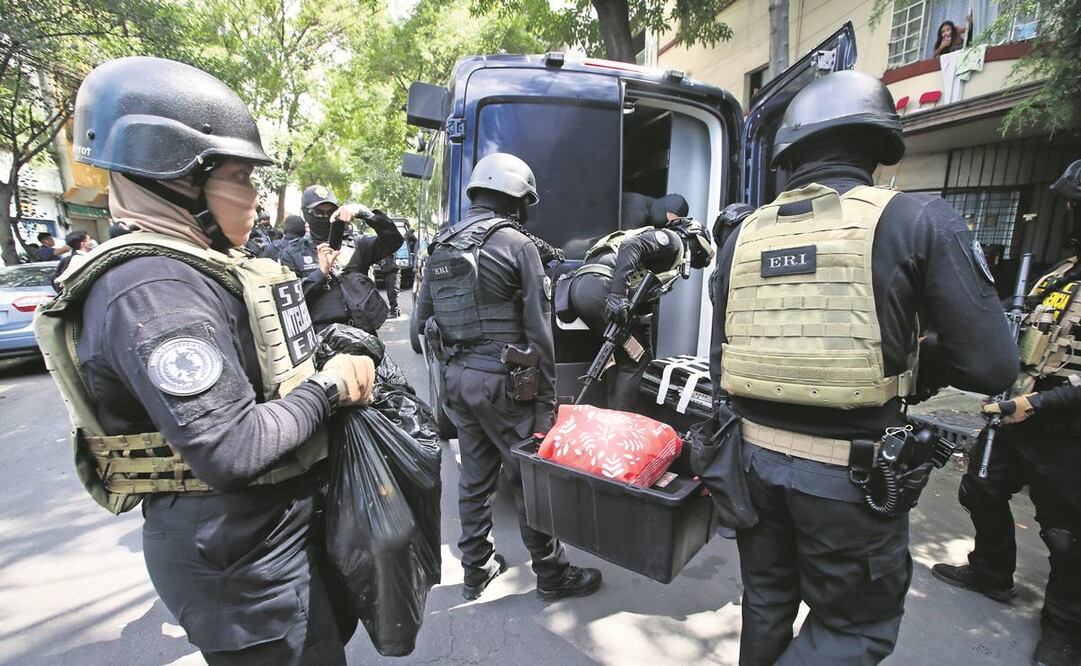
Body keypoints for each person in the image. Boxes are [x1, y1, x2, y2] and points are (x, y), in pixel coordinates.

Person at [35, 55, 377, 664]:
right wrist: (329, 388)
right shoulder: (153, 290)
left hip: (262, 541)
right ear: (180, 178)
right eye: (242, 177)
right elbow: (232, 446)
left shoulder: (193, 269)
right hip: (238, 560)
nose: (254, 195)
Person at [709, 70, 1018, 665]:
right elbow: (991, 365)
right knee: (854, 629)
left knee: (767, 600)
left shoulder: (741, 235)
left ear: (791, 151)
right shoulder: (920, 220)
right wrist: (909, 362)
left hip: (748, 464)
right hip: (847, 478)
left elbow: (724, 357)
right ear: (878, 144)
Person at [415, 152, 601, 602]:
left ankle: (476, 569)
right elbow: (541, 335)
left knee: (475, 479)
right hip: (505, 387)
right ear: (516, 198)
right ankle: (553, 575)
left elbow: (419, 325)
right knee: (528, 481)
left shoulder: (441, 244)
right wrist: (546, 407)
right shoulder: (517, 245)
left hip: (456, 381)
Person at [932, 160, 1081, 666]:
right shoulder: (1060, 274)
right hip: (1019, 416)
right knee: (981, 488)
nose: (1067, 212)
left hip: (1067, 431)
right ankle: (991, 574)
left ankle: (1064, 629)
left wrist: (1036, 403)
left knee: (1066, 534)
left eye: (1072, 205)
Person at [559, 193, 714, 411]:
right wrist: (618, 296)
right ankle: (620, 421)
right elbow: (632, 246)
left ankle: (609, 409)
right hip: (600, 290)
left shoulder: (662, 244)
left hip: (584, 289)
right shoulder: (672, 241)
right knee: (637, 359)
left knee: (620, 353)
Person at [276, 185, 402, 334]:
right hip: (320, 340)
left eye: (330, 212)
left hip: (360, 334)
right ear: (306, 213)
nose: (325, 217)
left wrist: (366, 214)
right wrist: (320, 273)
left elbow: (393, 240)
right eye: (318, 212)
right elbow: (289, 301)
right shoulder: (293, 253)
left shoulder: (357, 244)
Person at [379, 247, 402, 319]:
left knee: (393, 292)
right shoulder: (385, 250)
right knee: (390, 292)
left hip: (394, 272)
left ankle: (394, 311)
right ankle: (396, 311)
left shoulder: (393, 248)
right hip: (388, 272)